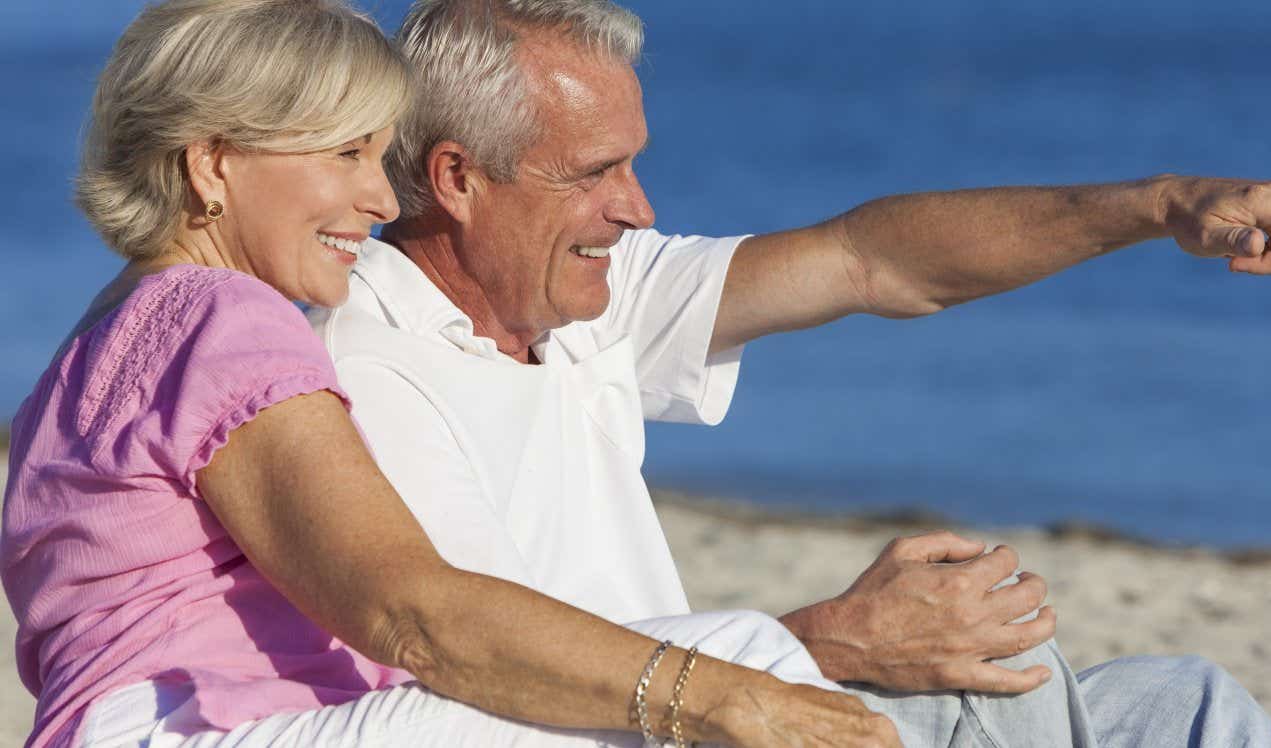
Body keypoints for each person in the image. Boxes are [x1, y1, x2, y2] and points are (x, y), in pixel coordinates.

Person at [311, 0, 1271, 745]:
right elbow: (480, 675)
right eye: (597, 173)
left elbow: (875, 260)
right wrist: (829, 641)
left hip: (722, 708)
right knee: (991, 687)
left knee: (1178, 704)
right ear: (457, 178)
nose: (636, 207)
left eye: (631, 163)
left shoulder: (576, 296)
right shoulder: (366, 371)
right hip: (646, 727)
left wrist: (1157, 207)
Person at [2, 1, 906, 747]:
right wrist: (724, 698)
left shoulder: (97, 344)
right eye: (346, 152)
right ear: (214, 164)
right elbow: (412, 613)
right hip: (197, 732)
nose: (385, 199)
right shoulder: (226, 319)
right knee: (732, 663)